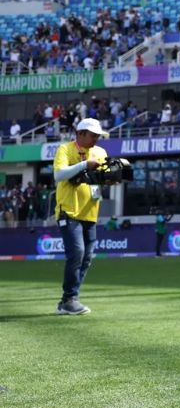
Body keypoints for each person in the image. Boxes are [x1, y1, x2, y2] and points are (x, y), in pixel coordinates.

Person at [52, 118, 109, 315]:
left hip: (90, 212)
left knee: (86, 258)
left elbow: (103, 176)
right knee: (77, 253)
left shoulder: (100, 152)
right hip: (68, 210)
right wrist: (85, 164)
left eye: (97, 136)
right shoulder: (65, 149)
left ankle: (68, 300)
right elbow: (59, 175)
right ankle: (69, 299)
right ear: (80, 133)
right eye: (93, 135)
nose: (96, 139)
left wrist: (112, 177)